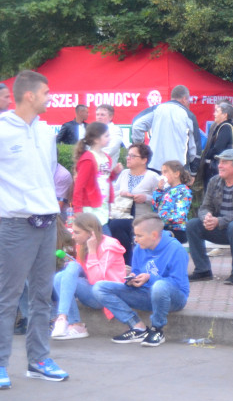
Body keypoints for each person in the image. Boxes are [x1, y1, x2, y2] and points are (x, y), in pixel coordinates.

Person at [0, 70, 70, 387]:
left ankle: (39, 360)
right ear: (30, 95)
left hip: (46, 222)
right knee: (8, 297)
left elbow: (47, 176)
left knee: (42, 296)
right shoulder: (2, 130)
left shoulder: (46, 133)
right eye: (46, 92)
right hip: (13, 224)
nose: (50, 97)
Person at [93, 215, 190, 347]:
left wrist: (150, 278)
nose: (136, 240)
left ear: (154, 235)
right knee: (100, 287)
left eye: (139, 236)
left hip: (173, 299)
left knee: (159, 286)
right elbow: (138, 272)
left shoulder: (176, 249)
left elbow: (177, 284)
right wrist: (132, 279)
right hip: (146, 294)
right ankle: (137, 327)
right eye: (135, 236)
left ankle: (157, 329)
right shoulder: (139, 248)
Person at [51, 212, 126, 340]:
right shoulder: (81, 245)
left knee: (72, 268)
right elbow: (83, 273)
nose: (73, 237)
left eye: (77, 232)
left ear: (90, 233)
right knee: (59, 276)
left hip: (106, 294)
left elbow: (97, 280)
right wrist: (72, 267)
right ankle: (75, 324)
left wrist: (91, 252)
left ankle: (62, 318)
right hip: (90, 290)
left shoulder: (110, 245)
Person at [185, 148, 233, 283]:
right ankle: (202, 270)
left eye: (224, 162)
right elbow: (205, 207)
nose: (219, 166)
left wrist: (220, 221)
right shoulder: (214, 181)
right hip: (219, 228)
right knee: (193, 224)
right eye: (220, 162)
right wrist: (207, 218)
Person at [107, 142, 160, 256]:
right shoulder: (124, 174)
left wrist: (146, 198)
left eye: (132, 156)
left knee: (117, 225)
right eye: (128, 155)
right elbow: (112, 192)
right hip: (121, 214)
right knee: (108, 223)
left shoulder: (153, 177)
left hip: (142, 218)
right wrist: (121, 193)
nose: (128, 158)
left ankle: (128, 260)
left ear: (144, 160)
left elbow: (161, 199)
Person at [131, 85, 198, 171]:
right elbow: (194, 147)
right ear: (184, 99)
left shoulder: (157, 109)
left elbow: (137, 125)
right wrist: (193, 170)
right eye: (189, 100)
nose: (189, 103)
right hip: (177, 169)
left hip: (154, 165)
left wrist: (140, 149)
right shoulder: (189, 115)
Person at [72, 122, 114, 225]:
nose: (109, 138)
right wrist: (78, 209)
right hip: (90, 208)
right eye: (106, 135)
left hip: (102, 206)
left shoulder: (106, 157)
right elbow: (79, 185)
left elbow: (106, 179)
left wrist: (115, 173)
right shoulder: (88, 159)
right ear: (96, 139)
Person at [200, 102, 233, 188]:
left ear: (224, 115)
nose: (214, 114)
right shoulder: (223, 126)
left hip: (217, 169)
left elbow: (217, 149)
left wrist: (206, 156)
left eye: (217, 111)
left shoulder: (226, 127)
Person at [153, 160, 193, 244]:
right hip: (162, 227)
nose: (162, 175)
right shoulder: (166, 190)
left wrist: (160, 219)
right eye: (162, 172)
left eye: (165, 172)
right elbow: (155, 207)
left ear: (176, 174)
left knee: (157, 237)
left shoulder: (183, 191)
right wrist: (159, 190)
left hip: (178, 230)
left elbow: (179, 216)